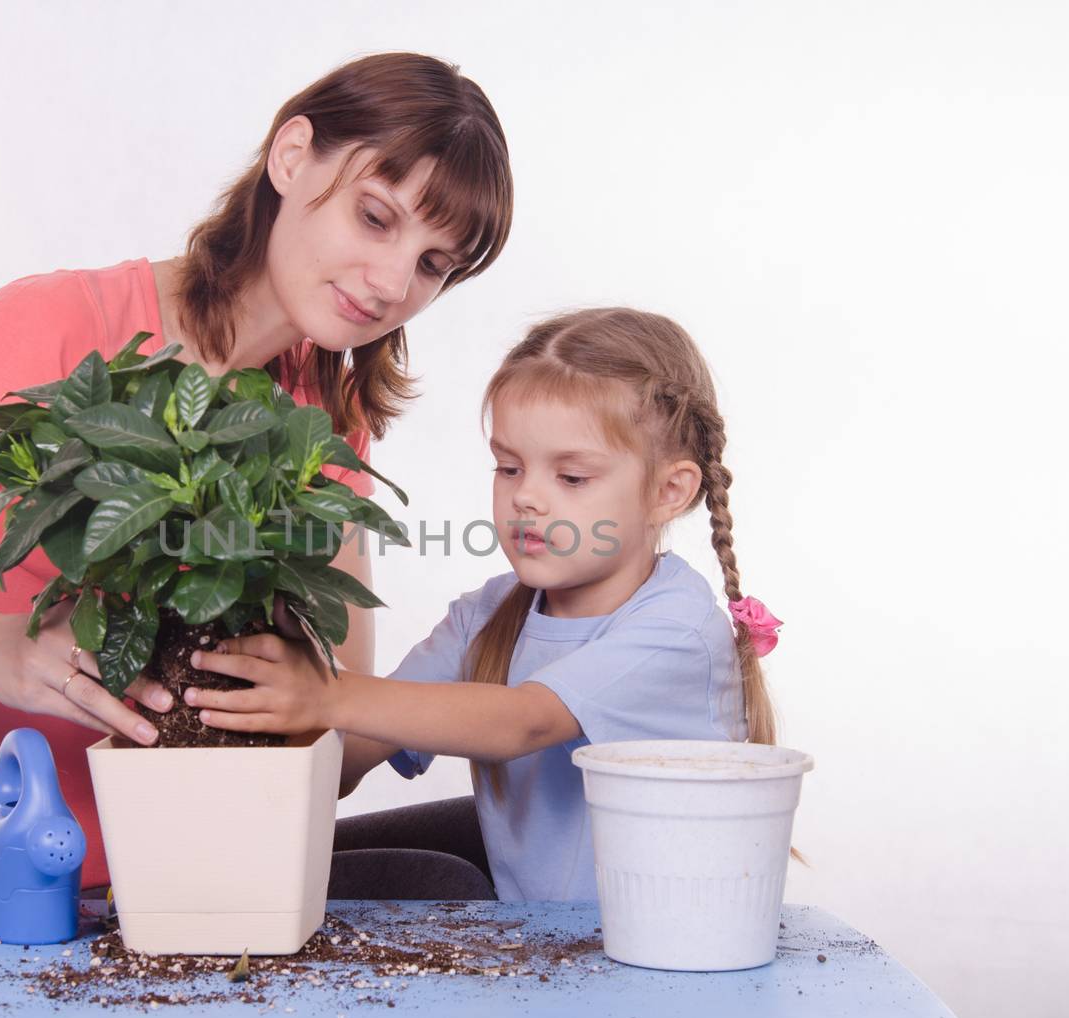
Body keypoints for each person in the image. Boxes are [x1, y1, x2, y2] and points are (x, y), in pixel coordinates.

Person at [0, 52, 514, 892]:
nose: (390, 284)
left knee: (474, 864)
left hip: (174, 895)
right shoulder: (60, 329)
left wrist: (499, 642)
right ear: (291, 154)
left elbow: (328, 746)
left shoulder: (319, 420)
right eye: (375, 217)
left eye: (433, 264)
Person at [182, 307, 786, 901]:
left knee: (445, 883)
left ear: (667, 491)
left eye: (571, 478)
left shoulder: (675, 627)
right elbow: (351, 752)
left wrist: (326, 691)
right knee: (312, 854)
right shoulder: (490, 612)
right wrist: (262, 675)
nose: (526, 497)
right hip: (539, 919)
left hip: (647, 946)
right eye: (508, 467)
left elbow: (523, 721)